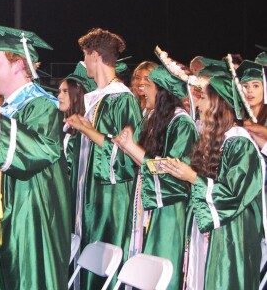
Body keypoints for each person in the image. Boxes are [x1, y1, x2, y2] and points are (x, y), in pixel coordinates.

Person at [0, 23, 71, 289]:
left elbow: (38, 153)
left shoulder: (42, 105)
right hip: (9, 215)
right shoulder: (10, 107)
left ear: (19, 65)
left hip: (31, 218)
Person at [163, 76, 265, 289]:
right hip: (211, 228)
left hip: (231, 235)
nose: (197, 104)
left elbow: (233, 196)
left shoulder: (239, 142)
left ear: (218, 104)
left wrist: (191, 177)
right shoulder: (217, 139)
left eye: (202, 98)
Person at [64, 28, 142, 289]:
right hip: (86, 197)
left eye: (85, 56)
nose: (83, 62)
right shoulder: (95, 99)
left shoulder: (123, 99)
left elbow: (127, 156)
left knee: (103, 262)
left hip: (109, 200)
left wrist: (87, 130)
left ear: (95, 55)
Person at [113, 65, 198, 289]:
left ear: (163, 92)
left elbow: (173, 168)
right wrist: (128, 147)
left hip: (169, 207)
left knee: (162, 263)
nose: (142, 90)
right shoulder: (156, 119)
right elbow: (147, 161)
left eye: (148, 85)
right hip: (150, 201)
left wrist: (131, 147)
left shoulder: (182, 123)